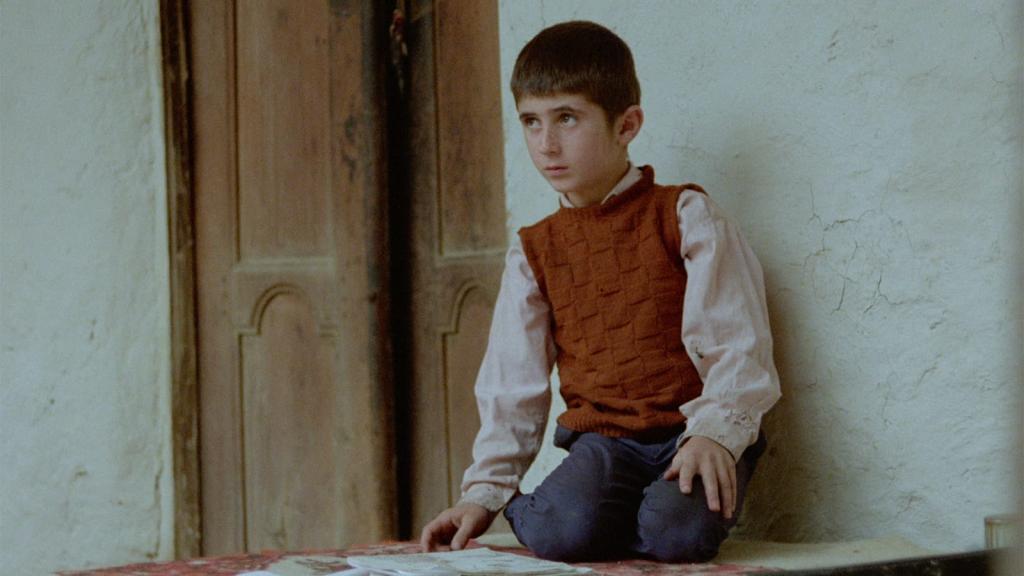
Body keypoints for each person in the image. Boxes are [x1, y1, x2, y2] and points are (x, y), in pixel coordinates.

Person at [420, 20, 781, 563]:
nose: (546, 144)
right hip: (605, 443)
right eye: (531, 122)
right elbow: (511, 382)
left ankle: (636, 513)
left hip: (692, 432)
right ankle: (592, 512)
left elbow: (738, 344)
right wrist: (484, 492)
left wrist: (716, 435)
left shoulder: (685, 216)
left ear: (626, 124)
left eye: (567, 118)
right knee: (557, 532)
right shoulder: (535, 251)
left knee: (677, 535)